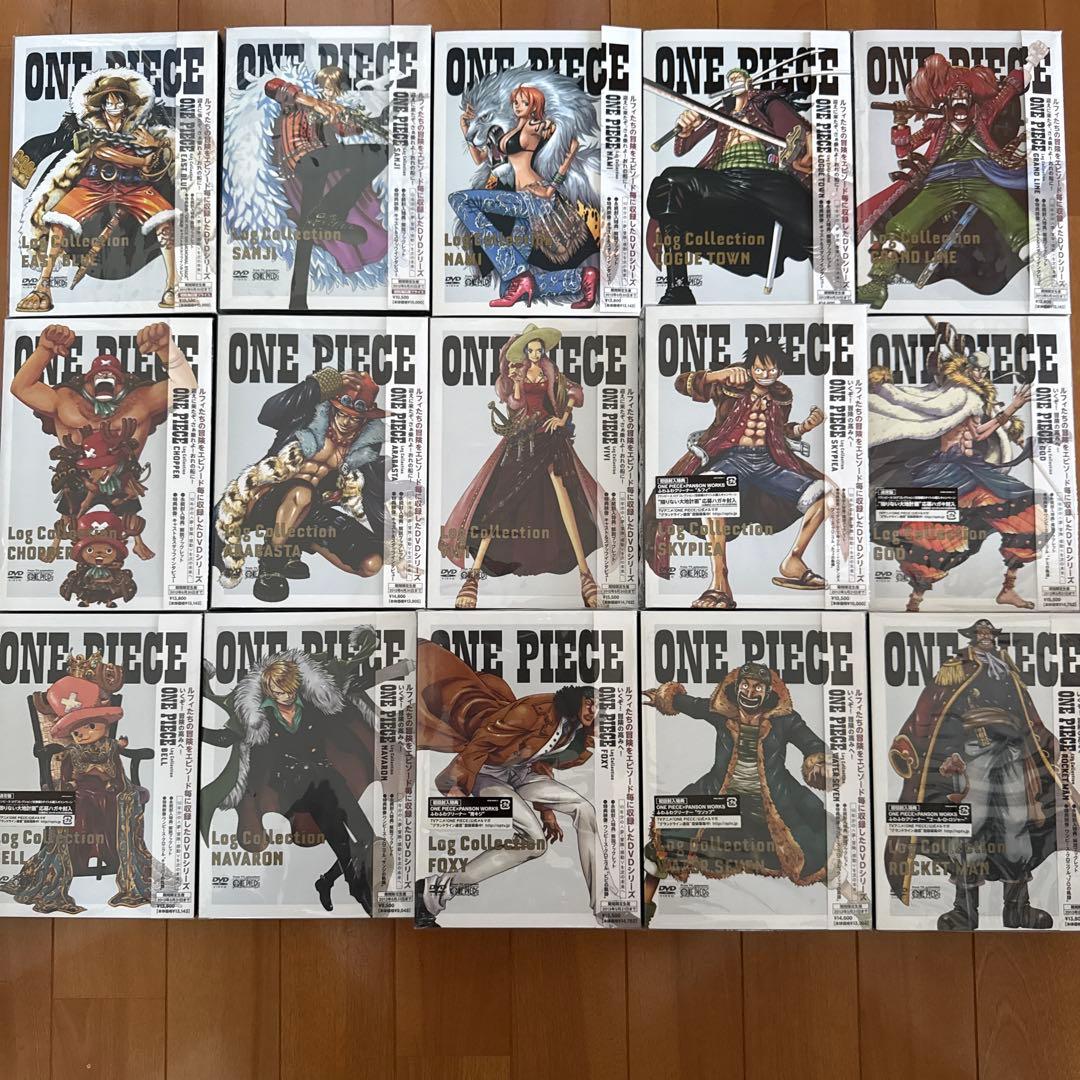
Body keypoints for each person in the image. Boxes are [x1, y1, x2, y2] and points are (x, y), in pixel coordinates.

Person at [884, 620, 1074, 930]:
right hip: (974, 754)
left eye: (990, 634)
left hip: (1013, 753)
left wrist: (1052, 744)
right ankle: (964, 910)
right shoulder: (954, 669)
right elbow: (927, 710)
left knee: (1016, 826)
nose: (986, 637)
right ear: (972, 638)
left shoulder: (1008, 671)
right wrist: (909, 744)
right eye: (981, 633)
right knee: (970, 827)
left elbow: (1028, 717)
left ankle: (1017, 908)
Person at [414, 638, 605, 927]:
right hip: (487, 772)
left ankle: (603, 905)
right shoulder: (532, 711)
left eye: (598, 708)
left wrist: (547, 810)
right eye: (589, 703)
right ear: (577, 698)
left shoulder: (572, 728)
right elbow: (482, 742)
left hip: (521, 772)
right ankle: (434, 890)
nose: (593, 711)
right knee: (534, 843)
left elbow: (540, 760)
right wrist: (459, 787)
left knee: (585, 809)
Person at [857, 43, 1049, 308]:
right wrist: (900, 122)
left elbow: (1009, 89)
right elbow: (905, 150)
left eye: (965, 92)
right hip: (940, 183)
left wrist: (1031, 62)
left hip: (981, 179)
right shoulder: (935, 124)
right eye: (954, 93)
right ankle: (878, 284)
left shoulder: (984, 114)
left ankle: (1044, 273)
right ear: (945, 99)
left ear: (972, 97)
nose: (960, 97)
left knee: (1016, 222)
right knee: (901, 226)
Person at [869, 323, 1045, 611]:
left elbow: (979, 434)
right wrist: (885, 387)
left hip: (970, 468)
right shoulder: (959, 394)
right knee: (935, 534)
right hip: (946, 469)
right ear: (967, 369)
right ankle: (915, 601)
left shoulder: (973, 398)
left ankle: (1008, 588)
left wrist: (1010, 410)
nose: (981, 375)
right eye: (976, 370)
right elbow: (922, 404)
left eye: (984, 371)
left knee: (1024, 510)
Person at [641, 662, 830, 927]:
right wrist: (667, 698)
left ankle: (858, 906)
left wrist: (818, 761)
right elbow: (692, 705)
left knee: (817, 851)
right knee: (665, 839)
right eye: (745, 685)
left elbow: (811, 743)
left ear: (767, 692)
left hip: (776, 803)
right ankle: (641, 911)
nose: (750, 692)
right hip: (721, 797)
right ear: (737, 686)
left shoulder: (785, 719)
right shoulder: (722, 711)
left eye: (757, 687)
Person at [645, 340, 829, 609]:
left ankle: (794, 559)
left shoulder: (782, 395)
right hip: (732, 460)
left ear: (780, 371)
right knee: (710, 493)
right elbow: (681, 383)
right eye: (759, 368)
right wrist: (717, 375)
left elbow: (780, 432)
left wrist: (803, 428)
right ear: (750, 367)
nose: (765, 374)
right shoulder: (730, 385)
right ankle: (719, 581)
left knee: (827, 495)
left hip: (768, 463)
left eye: (772, 370)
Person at [200, 647, 382, 914]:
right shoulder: (259, 719)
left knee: (366, 841)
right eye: (278, 692)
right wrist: (192, 728)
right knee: (345, 833)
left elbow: (348, 689)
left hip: (327, 780)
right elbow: (224, 738)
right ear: (269, 691)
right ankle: (355, 889)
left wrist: (395, 671)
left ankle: (330, 881)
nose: (285, 696)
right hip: (296, 786)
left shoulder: (313, 705)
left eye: (289, 690)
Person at [439, 325, 603, 609]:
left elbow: (575, 393)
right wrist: (516, 383)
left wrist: (562, 418)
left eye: (540, 350)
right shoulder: (517, 373)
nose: (536, 354)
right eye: (532, 350)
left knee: (562, 492)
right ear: (525, 352)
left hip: (549, 438)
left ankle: (585, 575)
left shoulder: (551, 372)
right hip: (521, 439)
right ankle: (473, 577)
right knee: (499, 500)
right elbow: (515, 405)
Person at [213, 369, 389, 604]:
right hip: (264, 499)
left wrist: (393, 542)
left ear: (365, 418)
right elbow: (267, 414)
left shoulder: (365, 448)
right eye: (341, 413)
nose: (347, 422)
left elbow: (373, 493)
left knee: (371, 563)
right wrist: (317, 385)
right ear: (333, 407)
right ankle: (271, 564)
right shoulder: (306, 418)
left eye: (355, 418)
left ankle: (295, 540)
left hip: (309, 512)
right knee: (302, 492)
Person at [646, 67, 813, 304]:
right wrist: (685, 130)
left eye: (738, 78)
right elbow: (683, 148)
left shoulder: (766, 101)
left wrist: (803, 140)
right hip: (725, 180)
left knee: (812, 228)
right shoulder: (721, 111)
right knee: (670, 182)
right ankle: (678, 289)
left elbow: (790, 128)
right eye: (731, 79)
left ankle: (834, 285)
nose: (734, 81)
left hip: (768, 178)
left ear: (749, 82)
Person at [1, 653, 153, 914]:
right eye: (76, 731)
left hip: (111, 786)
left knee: (125, 797)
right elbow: (70, 773)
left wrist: (120, 749)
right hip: (82, 787)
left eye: (90, 726)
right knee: (81, 798)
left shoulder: (108, 745)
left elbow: (115, 760)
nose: (83, 734)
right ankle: (70, 862)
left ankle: (124, 862)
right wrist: (72, 779)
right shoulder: (72, 751)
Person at [13, 70, 177, 311]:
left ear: (126, 104)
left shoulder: (142, 130)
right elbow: (102, 152)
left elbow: (155, 164)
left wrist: (154, 147)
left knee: (164, 220)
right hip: (94, 184)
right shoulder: (90, 130)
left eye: (118, 100)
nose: (114, 106)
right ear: (102, 105)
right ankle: (43, 286)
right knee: (58, 220)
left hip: (134, 186)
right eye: (109, 101)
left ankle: (172, 285)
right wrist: (142, 159)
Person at [450, 83, 599, 308]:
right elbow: (481, 159)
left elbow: (573, 143)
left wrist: (551, 188)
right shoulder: (513, 129)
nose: (518, 106)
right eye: (516, 102)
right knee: (507, 288)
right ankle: (581, 279)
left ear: (535, 106)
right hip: (522, 206)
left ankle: (517, 272)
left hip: (533, 198)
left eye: (524, 102)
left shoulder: (534, 125)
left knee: (460, 199)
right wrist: (466, 129)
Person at [262, 65, 389, 310]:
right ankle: (330, 212)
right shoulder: (297, 101)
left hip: (319, 165)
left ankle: (297, 301)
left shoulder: (330, 107)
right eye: (325, 87)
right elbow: (272, 86)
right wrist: (312, 101)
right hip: (303, 161)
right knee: (380, 152)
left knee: (307, 232)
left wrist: (366, 120)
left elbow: (346, 129)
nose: (329, 93)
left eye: (334, 89)